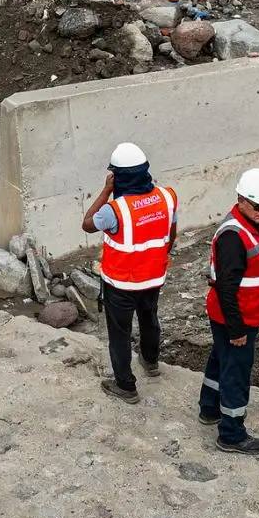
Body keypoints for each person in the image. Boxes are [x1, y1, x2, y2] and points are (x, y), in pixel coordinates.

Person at [82, 143, 178, 404]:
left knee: (120, 334)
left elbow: (87, 224)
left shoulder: (115, 210)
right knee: (149, 319)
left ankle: (125, 385)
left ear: (118, 176)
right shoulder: (168, 197)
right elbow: (171, 234)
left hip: (121, 284)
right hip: (153, 277)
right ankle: (151, 361)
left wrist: (106, 190)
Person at [202, 168, 259, 454]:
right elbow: (227, 288)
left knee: (220, 359)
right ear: (241, 200)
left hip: (238, 315)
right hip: (237, 318)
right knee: (236, 372)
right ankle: (232, 434)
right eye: (258, 206)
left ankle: (209, 408)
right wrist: (236, 330)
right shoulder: (234, 237)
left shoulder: (249, 226)